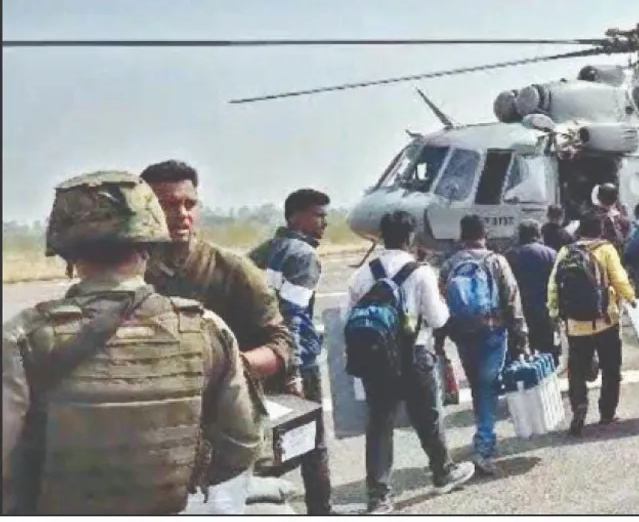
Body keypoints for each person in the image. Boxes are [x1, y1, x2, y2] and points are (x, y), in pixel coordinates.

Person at [2, 171, 261, 515]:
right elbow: (242, 443)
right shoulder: (207, 329)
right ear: (150, 245)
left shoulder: (24, 337)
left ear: (67, 253)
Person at [343, 212, 475, 514]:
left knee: (379, 425)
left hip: (376, 359)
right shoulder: (420, 272)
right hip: (414, 355)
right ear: (411, 238)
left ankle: (379, 497)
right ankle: (442, 472)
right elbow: (438, 318)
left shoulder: (362, 274)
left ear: (380, 237)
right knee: (427, 418)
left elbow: (347, 317)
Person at [140, 160, 294, 385]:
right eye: (168, 205)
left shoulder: (233, 270)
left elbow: (281, 344)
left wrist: (227, 367)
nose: (183, 213)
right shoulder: (126, 273)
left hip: (222, 403)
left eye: (190, 204)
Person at [246, 188, 335, 515]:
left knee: (266, 439)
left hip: (262, 355)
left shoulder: (263, 251)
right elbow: (293, 318)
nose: (324, 223)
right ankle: (320, 510)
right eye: (318, 215)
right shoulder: (303, 256)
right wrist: (294, 371)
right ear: (295, 216)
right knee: (313, 443)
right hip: (295, 359)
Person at [438, 215, 529, 475]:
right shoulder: (496, 261)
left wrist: (442, 338)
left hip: (462, 333)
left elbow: (441, 300)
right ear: (484, 234)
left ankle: (482, 434)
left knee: (478, 386)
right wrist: (520, 335)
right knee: (488, 387)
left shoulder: (450, 264)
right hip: (492, 331)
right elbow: (512, 298)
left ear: (462, 235)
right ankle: (484, 447)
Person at [547, 212, 638, 436]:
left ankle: (579, 405)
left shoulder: (566, 252)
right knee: (610, 367)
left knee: (576, 369)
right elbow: (619, 279)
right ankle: (607, 413)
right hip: (605, 321)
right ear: (600, 231)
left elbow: (553, 285)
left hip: (576, 324)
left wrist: (554, 311)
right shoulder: (606, 249)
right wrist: (632, 298)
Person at [505, 220, 560, 364]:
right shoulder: (551, 253)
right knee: (548, 348)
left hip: (520, 309)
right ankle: (550, 376)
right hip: (545, 307)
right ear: (537, 234)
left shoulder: (510, 255)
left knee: (521, 350)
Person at [594, 183, 632, 250]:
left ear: (599, 198)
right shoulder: (623, 220)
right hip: (614, 255)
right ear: (615, 200)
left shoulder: (592, 217)